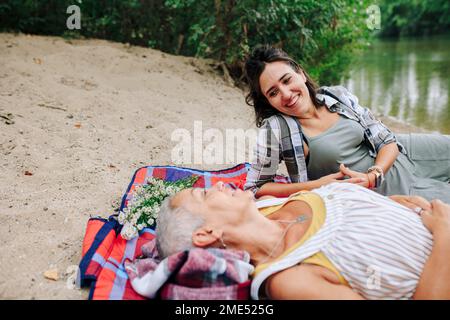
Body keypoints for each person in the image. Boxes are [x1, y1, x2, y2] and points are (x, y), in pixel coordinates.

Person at [156, 181, 450, 300]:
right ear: (206, 233)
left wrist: (401, 203)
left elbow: (359, 210)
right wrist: (444, 232)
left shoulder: (268, 203)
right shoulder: (290, 279)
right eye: (206, 194)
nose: (218, 185)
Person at [243, 45, 450, 202]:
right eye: (273, 92)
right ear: (268, 101)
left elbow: (386, 139)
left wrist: (375, 173)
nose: (286, 94)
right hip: (387, 191)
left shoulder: (336, 96)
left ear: (300, 73)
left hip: (401, 154)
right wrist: (316, 186)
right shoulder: (277, 130)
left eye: (287, 80)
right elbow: (255, 187)